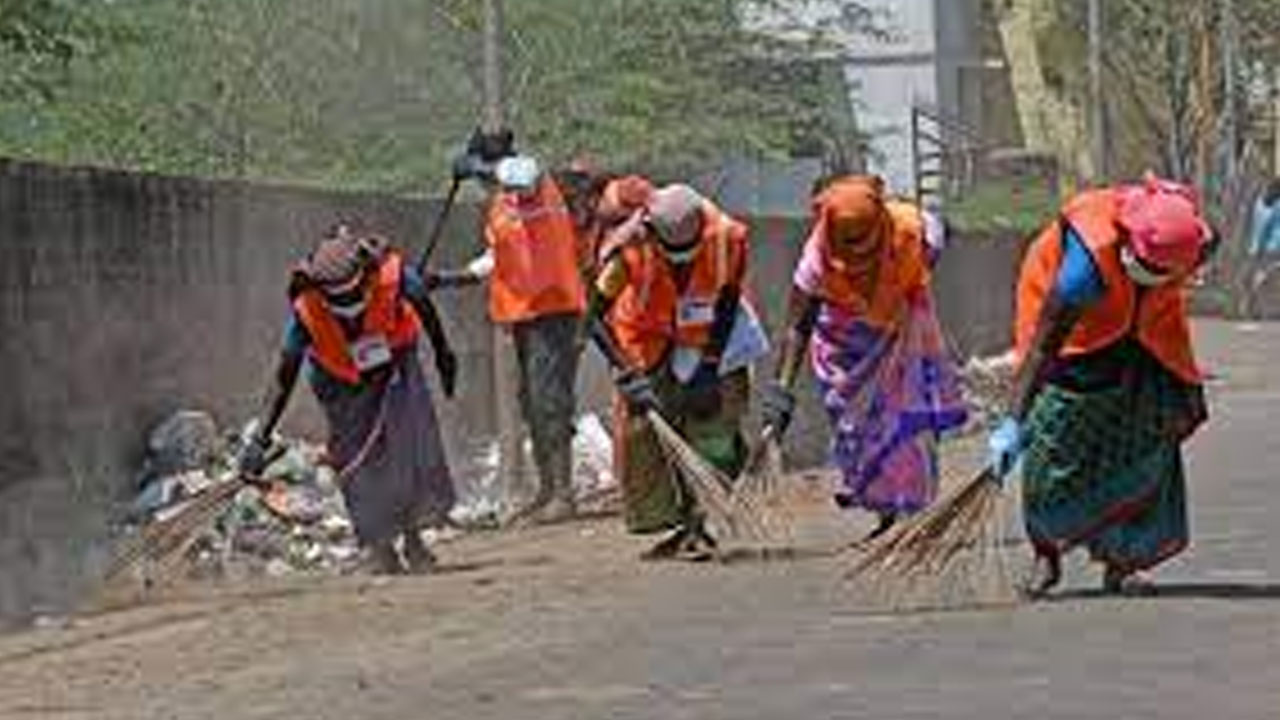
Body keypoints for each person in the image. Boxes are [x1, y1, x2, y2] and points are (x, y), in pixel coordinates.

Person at [988, 172, 1212, 595]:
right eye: (1147, 268)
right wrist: (1013, 420)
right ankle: (1047, 553)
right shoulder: (1081, 269)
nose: (1156, 276)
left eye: (1167, 273)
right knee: (1051, 449)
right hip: (1076, 343)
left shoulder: (1193, 240)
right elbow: (1042, 351)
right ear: (1128, 245)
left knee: (1146, 439)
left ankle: (1125, 561)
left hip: (1146, 336)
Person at [238, 224, 459, 575]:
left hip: (394, 368)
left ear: (365, 275)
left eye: (353, 296)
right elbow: (284, 376)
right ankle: (379, 546)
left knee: (408, 448)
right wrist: (259, 441)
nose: (348, 308)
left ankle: (414, 540)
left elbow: (425, 309)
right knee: (357, 463)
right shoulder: (306, 308)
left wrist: (445, 356)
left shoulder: (393, 277)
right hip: (340, 381)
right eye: (337, 302)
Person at [761, 175, 967, 543]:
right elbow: (797, 326)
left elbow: (940, 236)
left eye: (864, 239)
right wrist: (781, 390)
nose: (856, 250)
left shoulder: (913, 230)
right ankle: (884, 511)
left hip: (900, 338)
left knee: (906, 424)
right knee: (859, 430)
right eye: (847, 242)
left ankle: (908, 512)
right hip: (845, 352)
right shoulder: (815, 260)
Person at [586, 184, 769, 560]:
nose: (682, 265)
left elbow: (729, 300)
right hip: (647, 338)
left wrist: (709, 366)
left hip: (711, 338)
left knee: (711, 428)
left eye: (689, 255)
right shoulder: (627, 252)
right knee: (648, 432)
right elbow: (591, 317)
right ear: (651, 233)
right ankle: (680, 522)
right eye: (674, 258)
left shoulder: (727, 239)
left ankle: (703, 519)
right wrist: (627, 374)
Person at [432, 131, 587, 524]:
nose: (484, 184)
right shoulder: (502, 204)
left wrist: (475, 166)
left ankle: (564, 495)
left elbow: (523, 171)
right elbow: (495, 257)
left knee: (550, 400)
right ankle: (547, 489)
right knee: (531, 401)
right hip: (524, 314)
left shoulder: (534, 183)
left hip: (554, 310)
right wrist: (453, 278)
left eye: (486, 175)